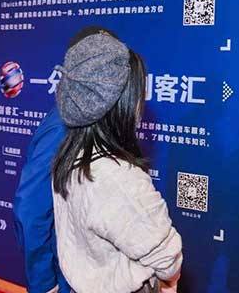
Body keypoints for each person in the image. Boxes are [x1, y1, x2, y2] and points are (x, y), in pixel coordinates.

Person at [51, 31, 182, 293]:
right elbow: (168, 261)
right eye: (139, 93)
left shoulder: (71, 157)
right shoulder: (117, 177)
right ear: (122, 104)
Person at [14, 26, 119, 293]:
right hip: (66, 277)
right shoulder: (64, 125)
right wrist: (44, 282)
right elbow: (31, 208)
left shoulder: (90, 118)